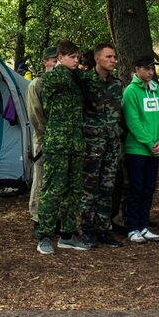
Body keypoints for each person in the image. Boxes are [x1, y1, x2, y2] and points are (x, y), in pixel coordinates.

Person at [36, 41, 92, 254]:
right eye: (72, 57)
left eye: (78, 57)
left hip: (75, 143)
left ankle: (67, 235)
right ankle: (45, 236)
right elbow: (59, 79)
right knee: (52, 190)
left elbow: (92, 80)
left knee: (73, 190)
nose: (76, 61)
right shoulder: (52, 77)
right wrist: (70, 70)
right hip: (57, 144)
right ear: (60, 57)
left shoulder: (75, 78)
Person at [79, 43, 124, 247]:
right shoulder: (85, 81)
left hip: (112, 143)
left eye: (114, 57)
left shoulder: (117, 84)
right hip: (91, 143)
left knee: (107, 187)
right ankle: (87, 229)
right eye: (109, 57)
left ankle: (103, 228)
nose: (113, 60)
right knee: (90, 188)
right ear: (97, 58)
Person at [121, 56, 159, 243]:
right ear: (137, 69)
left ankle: (144, 226)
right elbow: (133, 121)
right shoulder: (131, 91)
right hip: (137, 150)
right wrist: (149, 142)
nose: (150, 72)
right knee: (136, 189)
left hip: (154, 150)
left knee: (149, 188)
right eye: (146, 69)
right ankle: (132, 228)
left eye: (152, 69)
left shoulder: (156, 90)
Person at [26, 46, 58, 222]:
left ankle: (55, 217)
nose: (56, 64)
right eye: (54, 60)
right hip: (43, 140)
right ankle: (37, 218)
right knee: (41, 180)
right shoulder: (37, 84)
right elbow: (35, 114)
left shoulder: (63, 82)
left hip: (61, 142)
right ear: (45, 62)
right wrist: (47, 136)